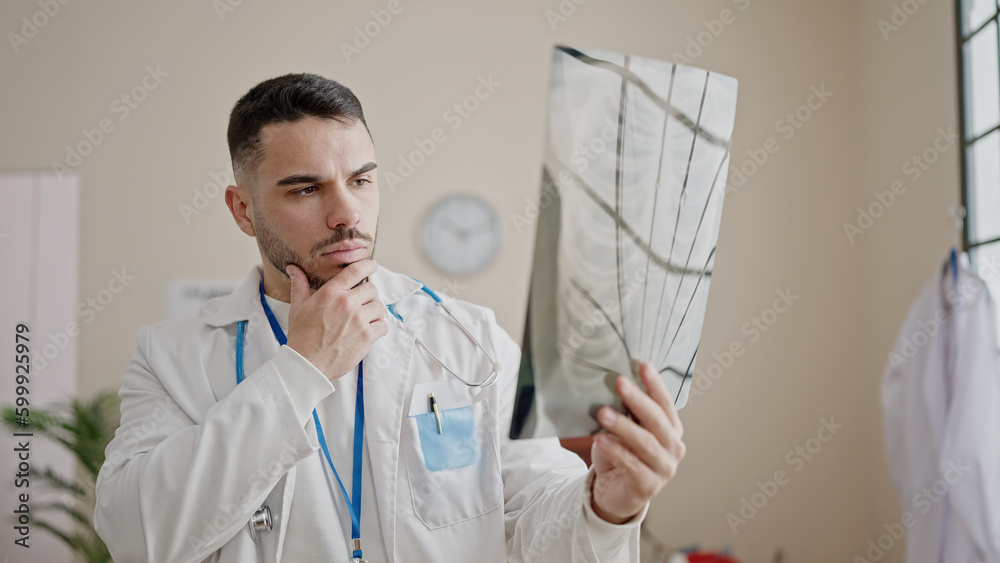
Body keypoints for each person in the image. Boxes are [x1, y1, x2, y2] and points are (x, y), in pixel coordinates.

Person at [93, 73, 687, 563]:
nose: (346, 212)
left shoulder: (469, 339)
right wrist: (301, 369)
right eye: (305, 190)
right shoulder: (171, 356)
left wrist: (606, 506)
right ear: (243, 209)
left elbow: (537, 528)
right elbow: (138, 538)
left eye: (361, 180)